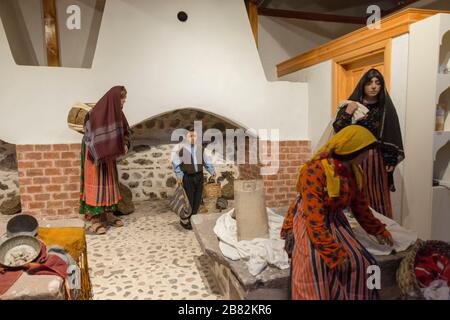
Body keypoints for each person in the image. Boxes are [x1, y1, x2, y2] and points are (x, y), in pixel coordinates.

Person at [281, 125, 394, 300]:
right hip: (310, 219)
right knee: (314, 262)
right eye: (366, 151)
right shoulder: (313, 171)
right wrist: (333, 252)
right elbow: (314, 219)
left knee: (363, 261)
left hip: (334, 219)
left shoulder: (354, 172)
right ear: (353, 150)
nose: (367, 156)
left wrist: (377, 229)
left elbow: (360, 206)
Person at [332, 68, 404, 218]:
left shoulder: (385, 108)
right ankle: (357, 230)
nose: (373, 86)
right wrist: (349, 112)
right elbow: (339, 129)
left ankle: (381, 227)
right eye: (369, 82)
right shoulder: (351, 104)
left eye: (378, 83)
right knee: (355, 191)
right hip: (353, 157)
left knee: (377, 193)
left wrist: (390, 157)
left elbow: (392, 134)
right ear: (363, 85)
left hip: (375, 159)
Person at [79, 86, 131, 235]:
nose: (123, 103)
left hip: (109, 156)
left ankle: (108, 214)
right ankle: (95, 219)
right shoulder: (95, 114)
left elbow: (125, 131)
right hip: (94, 155)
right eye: (122, 100)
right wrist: (101, 148)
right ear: (115, 99)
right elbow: (89, 135)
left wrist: (125, 144)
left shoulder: (118, 113)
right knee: (96, 182)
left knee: (109, 181)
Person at [171, 126, 216, 230]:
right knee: (189, 200)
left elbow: (206, 161)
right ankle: (185, 220)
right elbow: (176, 164)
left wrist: (212, 171)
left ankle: (193, 218)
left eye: (194, 136)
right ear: (186, 137)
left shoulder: (201, 149)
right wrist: (179, 176)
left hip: (199, 176)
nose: (192, 138)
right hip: (188, 177)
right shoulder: (181, 151)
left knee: (197, 199)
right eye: (190, 136)